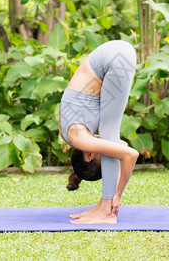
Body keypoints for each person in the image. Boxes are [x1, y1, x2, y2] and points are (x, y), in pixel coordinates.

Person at [59, 40, 139, 224]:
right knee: (109, 134)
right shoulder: (75, 133)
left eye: (105, 157)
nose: (108, 150)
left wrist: (116, 195)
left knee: (109, 133)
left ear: (88, 156)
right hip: (118, 54)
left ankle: (106, 210)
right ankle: (103, 207)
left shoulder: (78, 137)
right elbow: (123, 147)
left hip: (115, 58)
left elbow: (129, 155)